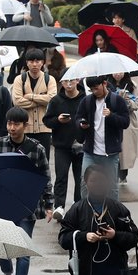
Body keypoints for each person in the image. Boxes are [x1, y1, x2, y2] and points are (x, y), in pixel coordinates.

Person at [0, 107, 53, 275]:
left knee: (23, 246)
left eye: (16, 124)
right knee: (1, 244)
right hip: (1, 204)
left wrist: (49, 203)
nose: (12, 127)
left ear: (26, 125)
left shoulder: (37, 149)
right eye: (9, 123)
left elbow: (45, 177)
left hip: (27, 204)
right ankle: (7, 272)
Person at [73, 76, 132, 199]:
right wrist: (81, 124)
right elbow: (78, 117)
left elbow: (125, 122)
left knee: (111, 187)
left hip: (110, 154)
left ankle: (113, 215)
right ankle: (87, 212)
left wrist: (111, 116)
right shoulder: (87, 101)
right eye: (91, 89)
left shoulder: (117, 100)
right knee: (84, 184)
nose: (94, 92)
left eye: (96, 88)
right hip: (90, 151)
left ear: (104, 83)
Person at [45, 76, 85, 219]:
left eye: (72, 80)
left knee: (80, 177)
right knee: (61, 176)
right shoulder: (56, 100)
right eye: (66, 81)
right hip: (61, 145)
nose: (69, 84)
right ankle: (59, 206)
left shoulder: (84, 99)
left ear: (78, 81)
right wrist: (58, 120)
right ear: (61, 82)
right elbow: (47, 121)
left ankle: (78, 205)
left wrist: (84, 125)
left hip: (81, 144)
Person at [10, 48, 58, 156]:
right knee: (24, 161)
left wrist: (30, 96)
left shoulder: (49, 79)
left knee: (43, 160)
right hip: (25, 129)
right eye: (31, 61)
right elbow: (17, 102)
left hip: (44, 128)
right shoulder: (19, 79)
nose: (35, 64)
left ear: (42, 62)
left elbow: (52, 100)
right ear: (27, 63)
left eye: (38, 61)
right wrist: (41, 99)